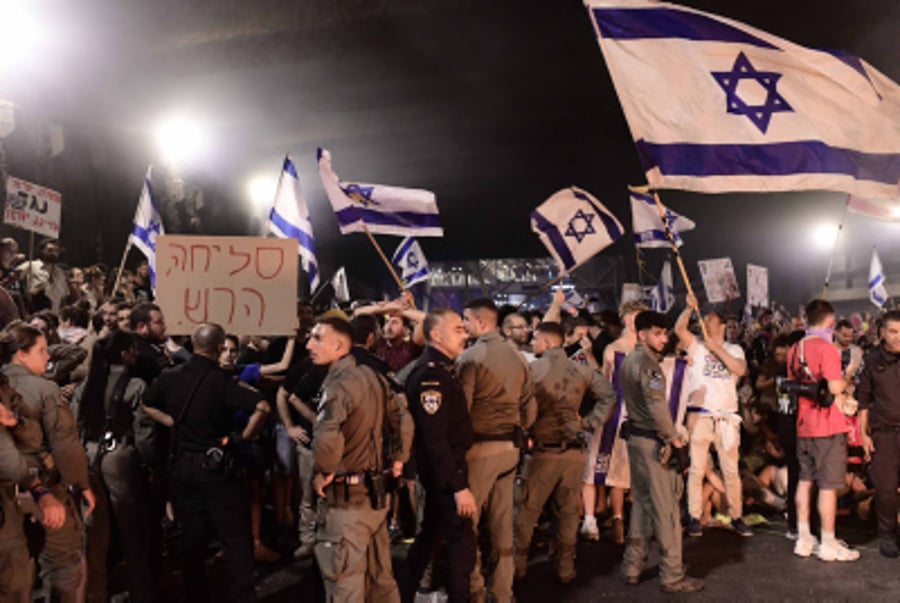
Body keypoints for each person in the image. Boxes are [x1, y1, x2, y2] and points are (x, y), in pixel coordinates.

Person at [142, 323, 271, 602]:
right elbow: (263, 406)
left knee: (192, 539)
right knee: (235, 537)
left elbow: (147, 402)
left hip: (183, 466)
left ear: (192, 343)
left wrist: (173, 423)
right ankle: (242, 595)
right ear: (218, 347)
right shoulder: (223, 380)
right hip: (218, 465)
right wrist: (243, 439)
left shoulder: (170, 376)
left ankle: (195, 595)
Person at [307, 316, 412, 602]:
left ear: (340, 345)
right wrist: (400, 459)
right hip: (376, 497)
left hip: (346, 501)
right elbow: (403, 417)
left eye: (317, 338)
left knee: (346, 583)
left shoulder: (337, 386)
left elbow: (328, 435)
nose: (309, 345)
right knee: (380, 579)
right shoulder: (375, 377)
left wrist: (323, 470)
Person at [515, 321, 617, 583]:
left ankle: (517, 567)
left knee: (526, 514)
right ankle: (565, 569)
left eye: (536, 339)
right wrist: (588, 423)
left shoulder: (532, 370)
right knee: (569, 514)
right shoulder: (580, 369)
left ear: (548, 342)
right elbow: (609, 396)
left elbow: (520, 408)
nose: (532, 343)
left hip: (542, 452)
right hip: (574, 450)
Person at [0, 321, 95, 602]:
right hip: (41, 486)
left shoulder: (8, 386)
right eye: (41, 350)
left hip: (11, 493)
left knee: (18, 571)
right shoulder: (45, 389)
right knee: (64, 562)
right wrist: (81, 484)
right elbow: (65, 446)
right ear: (22, 354)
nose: (48, 356)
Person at [457, 297, 535, 602]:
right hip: (510, 448)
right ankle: (503, 591)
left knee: (467, 524)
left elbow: (461, 411)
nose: (462, 326)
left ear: (480, 322)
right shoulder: (518, 357)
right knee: (503, 523)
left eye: (465, 320)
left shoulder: (471, 358)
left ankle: (475, 590)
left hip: (480, 448)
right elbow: (530, 406)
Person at [619, 310, 703, 593]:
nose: (664, 338)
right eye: (657, 333)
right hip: (654, 444)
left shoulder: (631, 360)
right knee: (666, 511)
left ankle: (632, 566)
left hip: (636, 442)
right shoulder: (649, 366)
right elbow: (657, 407)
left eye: (665, 333)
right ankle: (672, 576)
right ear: (642, 334)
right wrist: (675, 441)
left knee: (642, 506)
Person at [74, 331, 154, 602]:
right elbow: (144, 432)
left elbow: (75, 423)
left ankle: (97, 592)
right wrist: (150, 462)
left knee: (94, 531)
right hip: (118, 454)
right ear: (124, 354)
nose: (136, 353)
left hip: (89, 455)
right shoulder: (135, 385)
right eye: (132, 349)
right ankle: (140, 590)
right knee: (132, 528)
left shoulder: (87, 383)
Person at [405, 309, 477, 600]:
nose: (465, 334)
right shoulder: (430, 376)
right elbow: (435, 440)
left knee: (431, 535)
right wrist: (458, 486)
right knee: (461, 546)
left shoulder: (443, 369)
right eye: (458, 329)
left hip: (445, 470)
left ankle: (402, 592)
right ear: (436, 335)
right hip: (446, 473)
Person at [675, 293, 752, 538]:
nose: (704, 322)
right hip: (700, 416)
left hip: (727, 417)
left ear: (721, 325)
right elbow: (679, 329)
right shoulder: (696, 345)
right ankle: (695, 517)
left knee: (731, 471)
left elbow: (739, 369)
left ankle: (736, 516)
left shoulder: (734, 348)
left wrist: (716, 349)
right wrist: (688, 309)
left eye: (709, 319)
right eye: (704, 318)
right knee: (697, 469)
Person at [788, 299, 859, 562]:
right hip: (827, 426)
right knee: (828, 487)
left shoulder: (795, 349)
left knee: (805, 482)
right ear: (830, 321)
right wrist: (847, 375)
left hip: (803, 426)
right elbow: (833, 387)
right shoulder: (827, 349)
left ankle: (804, 539)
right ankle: (828, 542)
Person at [582, 300, 647, 544]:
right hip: (612, 413)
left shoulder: (647, 349)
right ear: (626, 319)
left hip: (637, 415)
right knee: (596, 464)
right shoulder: (613, 348)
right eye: (634, 316)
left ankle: (619, 517)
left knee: (622, 471)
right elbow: (604, 383)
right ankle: (590, 520)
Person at [0, 376, 67, 600]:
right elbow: (7, 454)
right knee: (13, 581)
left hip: (9, 501)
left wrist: (14, 422)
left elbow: (32, 437)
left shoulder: (8, 390)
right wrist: (40, 491)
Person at [856, 309, 900, 557]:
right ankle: (888, 536)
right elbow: (863, 401)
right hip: (883, 434)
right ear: (882, 332)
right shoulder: (872, 360)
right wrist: (864, 435)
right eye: (893, 331)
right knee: (886, 490)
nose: (898, 337)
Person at [18, 238, 70, 313]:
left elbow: (63, 297)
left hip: (54, 316)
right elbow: (13, 278)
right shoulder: (31, 265)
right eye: (50, 250)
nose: (53, 253)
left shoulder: (60, 273)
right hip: (35, 312)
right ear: (42, 251)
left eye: (56, 251)